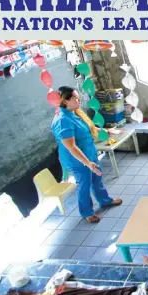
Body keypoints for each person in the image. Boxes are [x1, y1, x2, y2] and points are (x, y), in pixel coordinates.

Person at [51, 86, 122, 223]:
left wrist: (107, 131)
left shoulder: (75, 113)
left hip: (89, 153)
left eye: (78, 97)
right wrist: (87, 163)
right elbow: (71, 147)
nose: (79, 100)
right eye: (75, 98)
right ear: (65, 101)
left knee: (96, 178)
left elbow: (89, 127)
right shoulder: (62, 121)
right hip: (77, 160)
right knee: (84, 184)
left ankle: (104, 200)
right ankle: (87, 212)